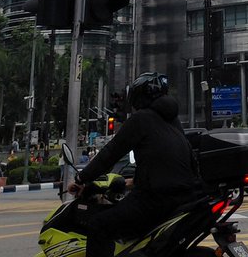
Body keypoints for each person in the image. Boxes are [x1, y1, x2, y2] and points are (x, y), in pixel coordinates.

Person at [68, 72, 205, 257]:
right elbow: (166, 161)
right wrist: (132, 181)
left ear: (139, 96)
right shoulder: (173, 121)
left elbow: (111, 153)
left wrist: (81, 178)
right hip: (187, 196)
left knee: (99, 225)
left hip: (156, 200)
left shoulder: (141, 119)